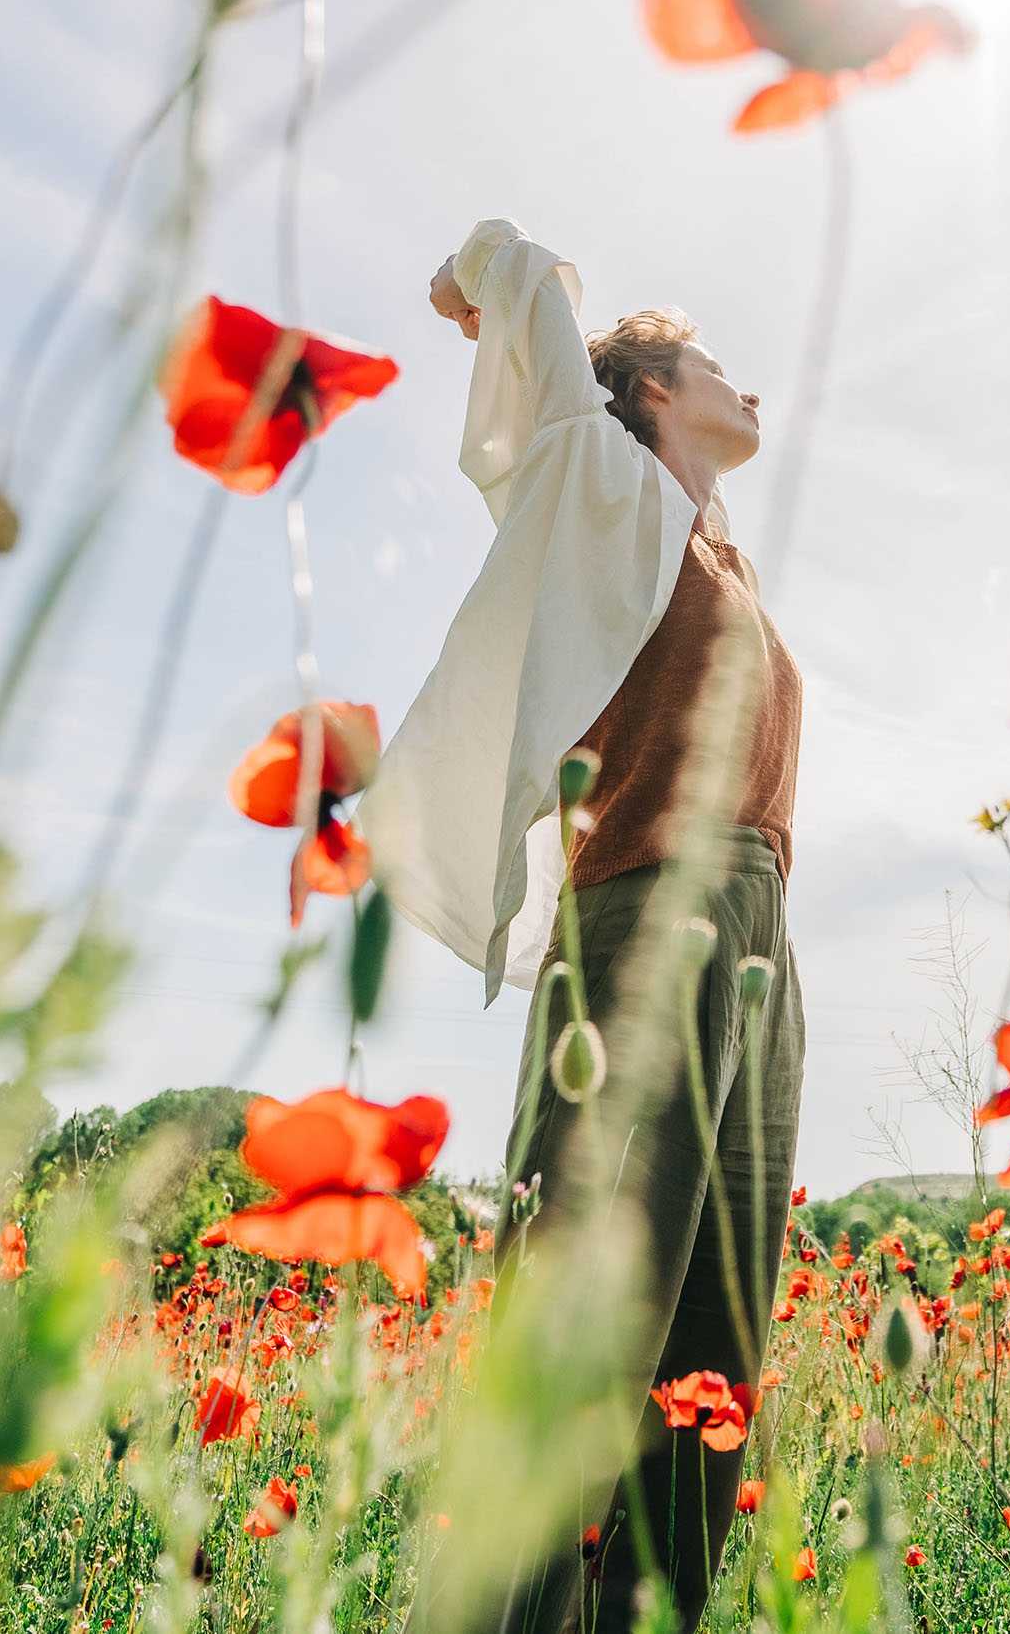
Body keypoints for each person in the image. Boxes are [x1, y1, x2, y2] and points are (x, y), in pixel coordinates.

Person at [358, 219, 804, 1633]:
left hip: (755, 934)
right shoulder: (600, 485)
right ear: (656, 392)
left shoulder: (710, 553)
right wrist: (478, 280)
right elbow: (517, 269)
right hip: (641, 921)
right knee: (577, 1323)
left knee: (710, 1351)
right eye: (721, 367)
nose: (757, 390)